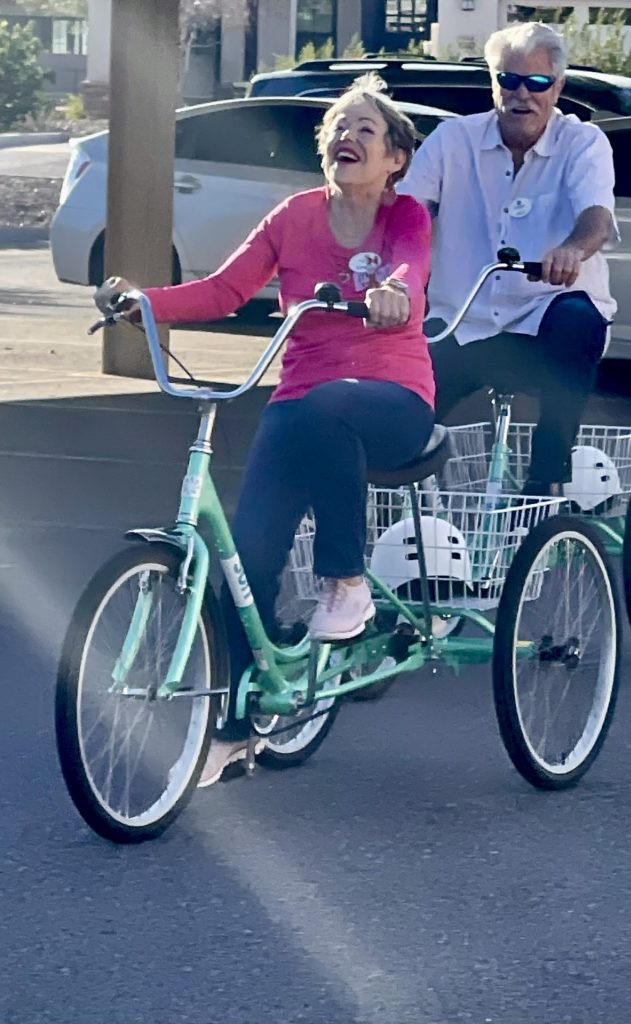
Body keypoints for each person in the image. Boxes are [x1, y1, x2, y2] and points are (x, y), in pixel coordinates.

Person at [96, 74, 434, 785]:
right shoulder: (293, 217)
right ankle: (237, 726)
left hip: (393, 399)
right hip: (305, 399)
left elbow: (410, 267)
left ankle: (345, 585)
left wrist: (393, 292)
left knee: (328, 407)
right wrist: (142, 302)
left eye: (364, 129)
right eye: (337, 127)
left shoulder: (404, 217)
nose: (346, 136)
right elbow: (223, 289)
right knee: (244, 561)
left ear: (394, 158)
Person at [398, 21, 618, 496]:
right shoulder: (452, 139)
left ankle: (546, 479)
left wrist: (571, 252)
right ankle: (398, 524)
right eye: (509, 80)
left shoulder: (583, 144)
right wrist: (395, 273)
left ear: (557, 86)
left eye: (537, 82)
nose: (523, 94)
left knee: (578, 318)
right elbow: (409, 213)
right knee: (401, 419)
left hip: (544, 320)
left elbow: (596, 216)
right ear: (493, 82)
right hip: (464, 321)